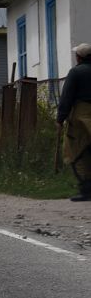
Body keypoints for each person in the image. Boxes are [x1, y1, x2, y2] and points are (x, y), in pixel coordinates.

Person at [58, 43, 91, 202]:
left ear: (79, 57)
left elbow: (67, 97)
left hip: (81, 115)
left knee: (76, 151)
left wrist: (60, 118)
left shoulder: (76, 72)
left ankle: (86, 189)